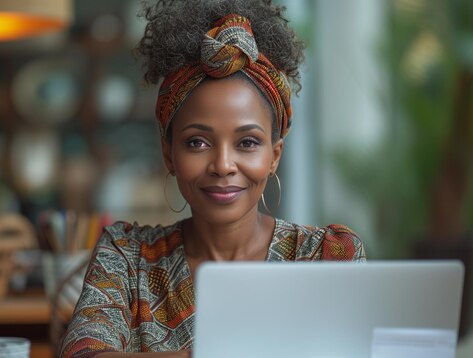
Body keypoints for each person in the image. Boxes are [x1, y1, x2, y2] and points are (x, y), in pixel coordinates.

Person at [60, 0, 366, 357]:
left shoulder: (327, 258)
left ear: (274, 156)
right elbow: (84, 352)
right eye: (197, 142)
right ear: (168, 154)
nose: (223, 164)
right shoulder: (127, 259)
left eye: (247, 142)